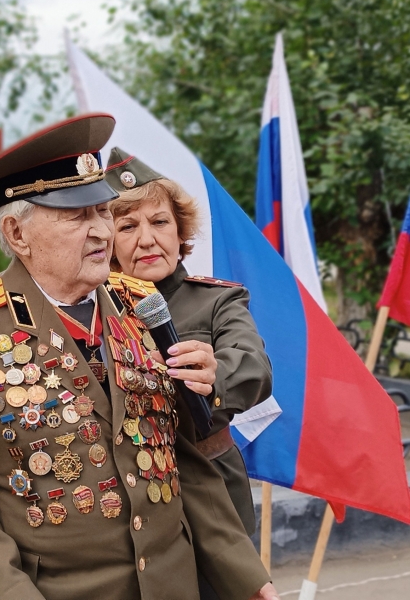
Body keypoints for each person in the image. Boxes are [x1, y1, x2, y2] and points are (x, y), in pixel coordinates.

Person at [0, 113, 278, 600]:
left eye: (104, 212)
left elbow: (179, 461)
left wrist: (250, 581)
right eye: (77, 217)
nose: (103, 231)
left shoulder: (140, 308)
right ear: (19, 236)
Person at [105, 147, 272, 538]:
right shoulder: (95, 311)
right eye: (127, 227)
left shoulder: (217, 300)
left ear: (181, 233)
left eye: (159, 222)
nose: (146, 240)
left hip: (210, 484)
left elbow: (254, 367)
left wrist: (215, 375)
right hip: (128, 499)